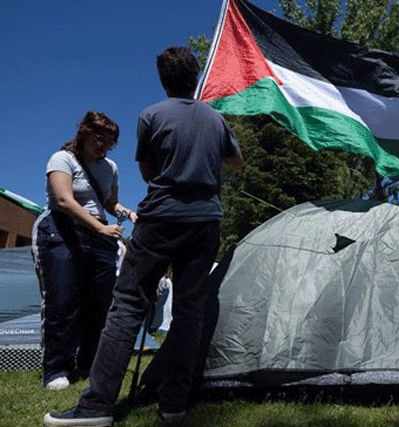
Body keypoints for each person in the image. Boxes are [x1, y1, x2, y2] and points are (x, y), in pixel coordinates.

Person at [43, 47, 243, 426]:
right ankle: (174, 405)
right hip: (205, 222)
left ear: (164, 80)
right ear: (196, 76)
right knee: (188, 311)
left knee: (129, 305)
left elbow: (150, 172)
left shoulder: (150, 116)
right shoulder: (216, 120)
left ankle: (97, 405)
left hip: (161, 219)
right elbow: (237, 161)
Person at [31, 111, 138, 390]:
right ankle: (56, 369)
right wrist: (100, 228)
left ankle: (90, 364)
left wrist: (124, 210)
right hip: (62, 230)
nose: (103, 146)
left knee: (99, 305)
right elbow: (64, 200)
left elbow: (110, 203)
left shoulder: (110, 167)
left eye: (110, 142)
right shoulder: (62, 159)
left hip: (99, 239)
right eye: (99, 138)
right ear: (84, 133)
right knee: (63, 299)